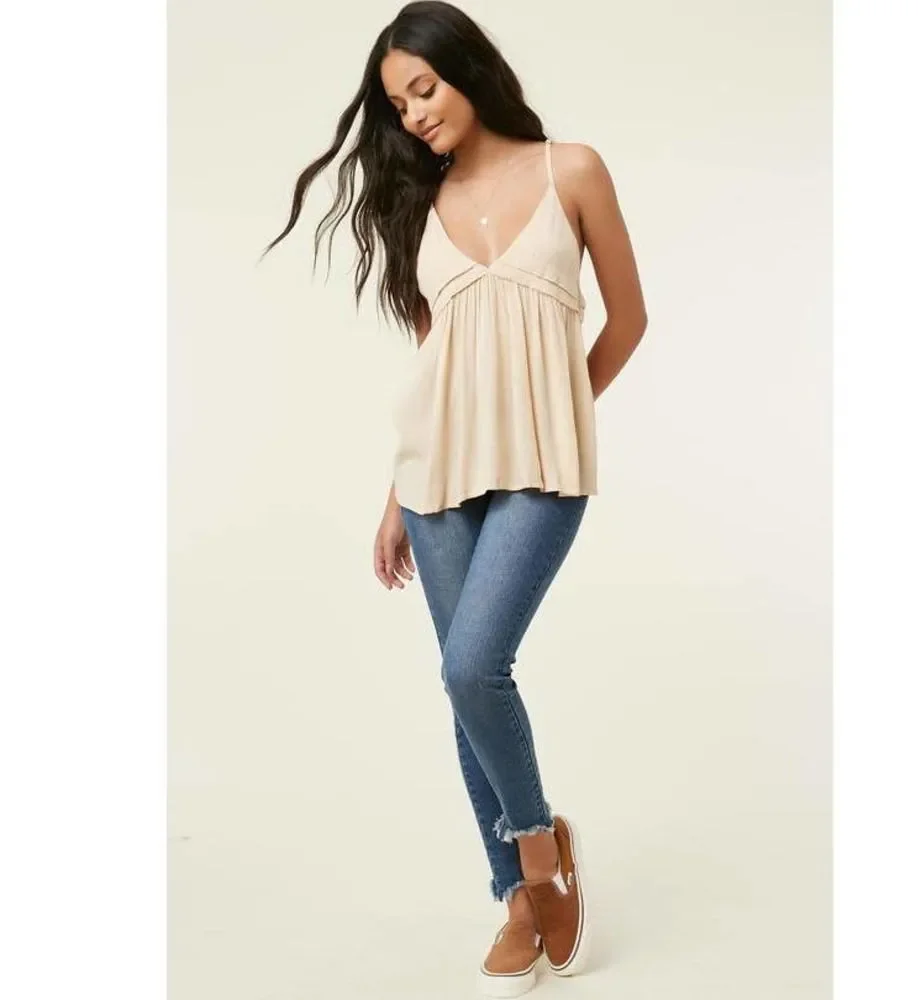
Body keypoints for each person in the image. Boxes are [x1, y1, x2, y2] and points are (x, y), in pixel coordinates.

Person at [264, 2, 646, 994]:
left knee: (476, 664)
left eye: (423, 89)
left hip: (542, 471)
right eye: (398, 105)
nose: (414, 114)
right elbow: (438, 365)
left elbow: (629, 318)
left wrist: (560, 414)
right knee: (460, 679)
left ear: (467, 68)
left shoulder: (572, 170)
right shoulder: (420, 205)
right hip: (435, 476)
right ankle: (517, 888)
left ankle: (540, 851)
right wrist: (396, 495)